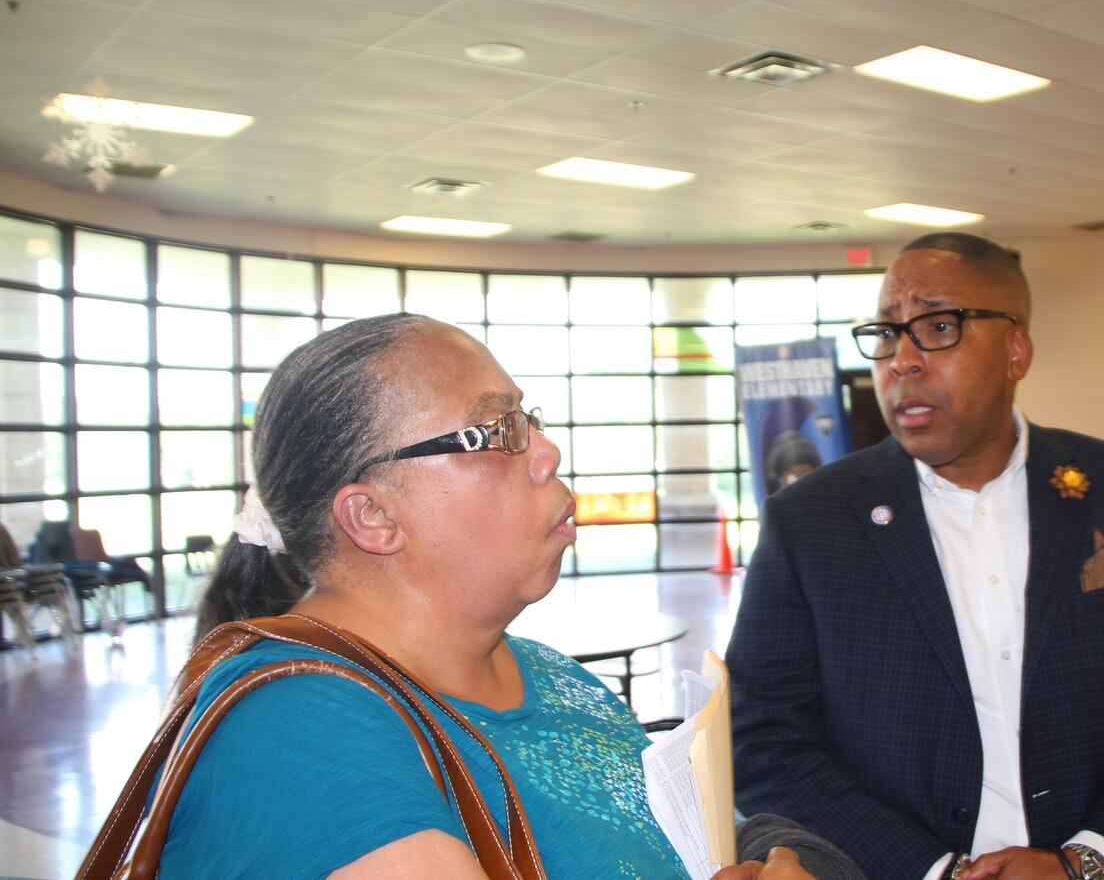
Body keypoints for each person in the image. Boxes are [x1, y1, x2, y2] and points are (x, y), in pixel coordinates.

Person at [137, 314, 845, 879]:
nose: (546, 451)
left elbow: (679, 835)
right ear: (374, 517)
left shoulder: (552, 677)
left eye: (528, 419)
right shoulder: (293, 730)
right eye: (499, 430)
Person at [725, 233, 1104, 880]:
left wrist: (1087, 864)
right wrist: (934, 871)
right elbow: (763, 739)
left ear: (1015, 349)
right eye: (887, 333)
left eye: (938, 326)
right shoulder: (812, 521)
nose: (902, 361)